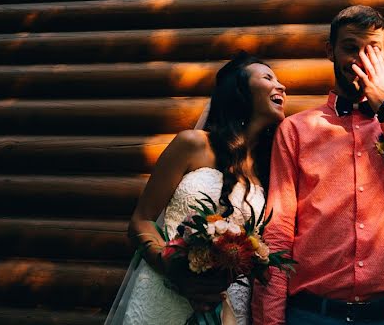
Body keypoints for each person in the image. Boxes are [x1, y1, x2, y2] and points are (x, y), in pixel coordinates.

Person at [252, 6, 384, 325]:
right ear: (330, 51)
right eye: (350, 48)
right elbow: (278, 229)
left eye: (372, 50)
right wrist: (269, 320)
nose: (361, 60)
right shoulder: (295, 130)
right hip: (313, 314)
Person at [105, 52, 287, 325]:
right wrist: (171, 267)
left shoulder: (269, 168)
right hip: (166, 293)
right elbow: (140, 221)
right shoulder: (192, 145)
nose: (281, 86)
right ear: (240, 91)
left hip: (230, 304)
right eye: (268, 77)